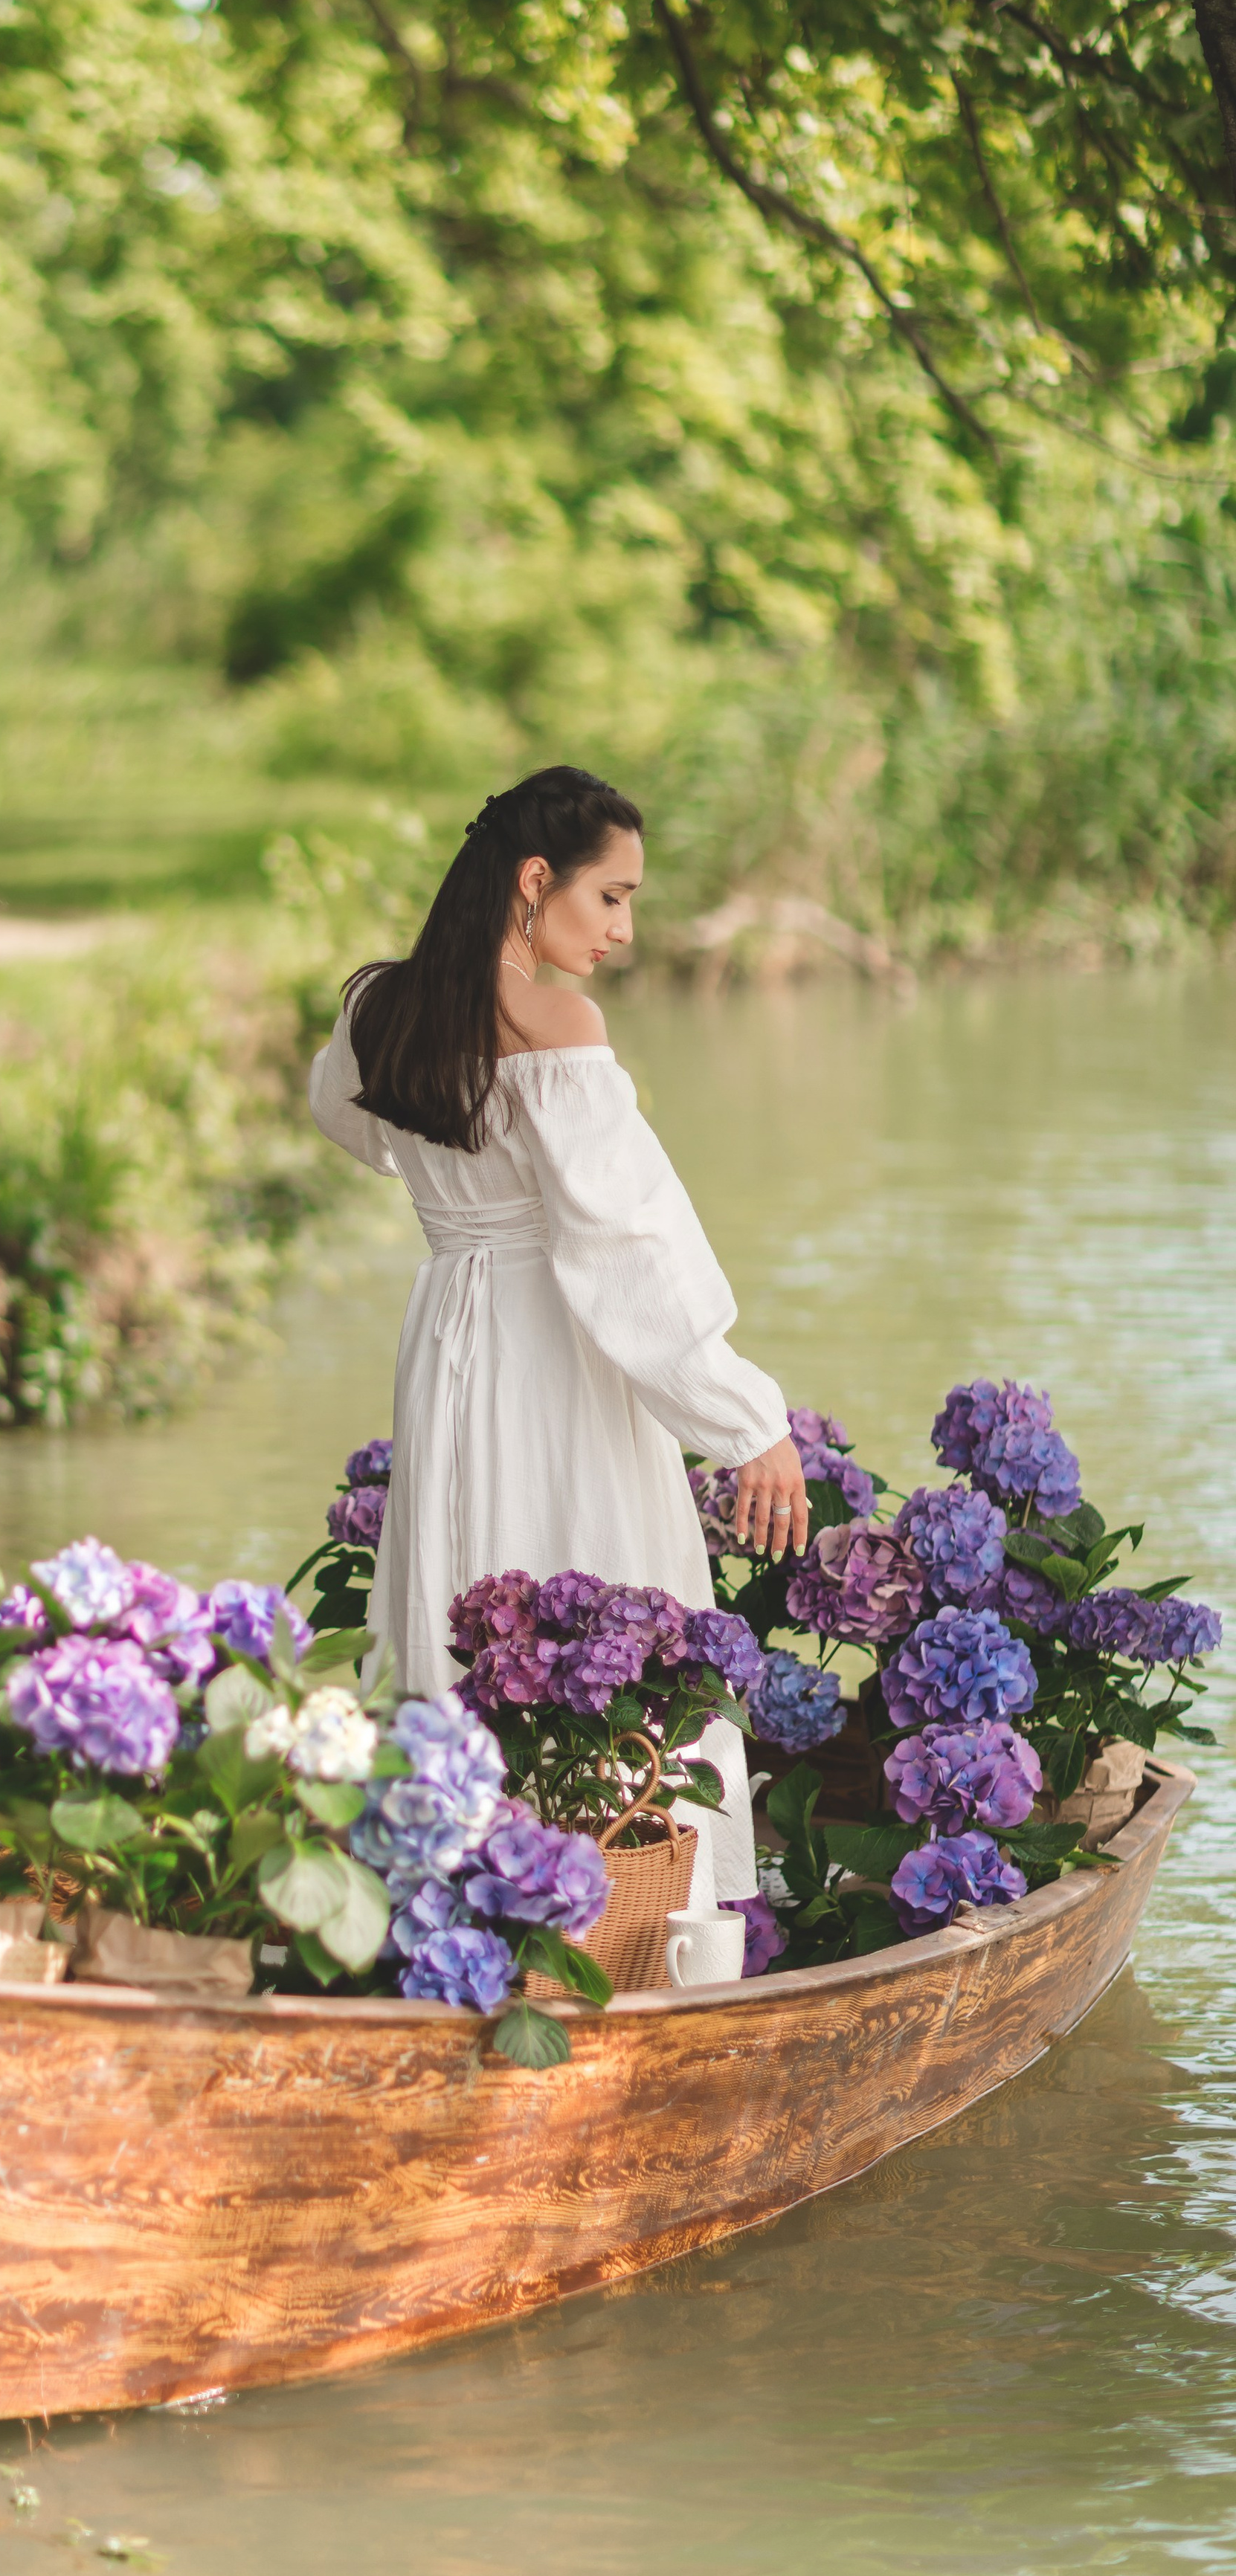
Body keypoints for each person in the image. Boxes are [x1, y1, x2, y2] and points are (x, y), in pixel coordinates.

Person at [308, 764, 805, 1911]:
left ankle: (454, 1887)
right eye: (610, 896)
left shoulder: (379, 1007)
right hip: (555, 1343)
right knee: (595, 1570)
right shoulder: (557, 1025)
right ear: (536, 881)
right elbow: (628, 1245)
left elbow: (348, 1118)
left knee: (462, 1581)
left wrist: (466, 1207)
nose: (623, 929)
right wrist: (746, 1419)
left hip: (449, 1327)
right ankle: (627, 1902)